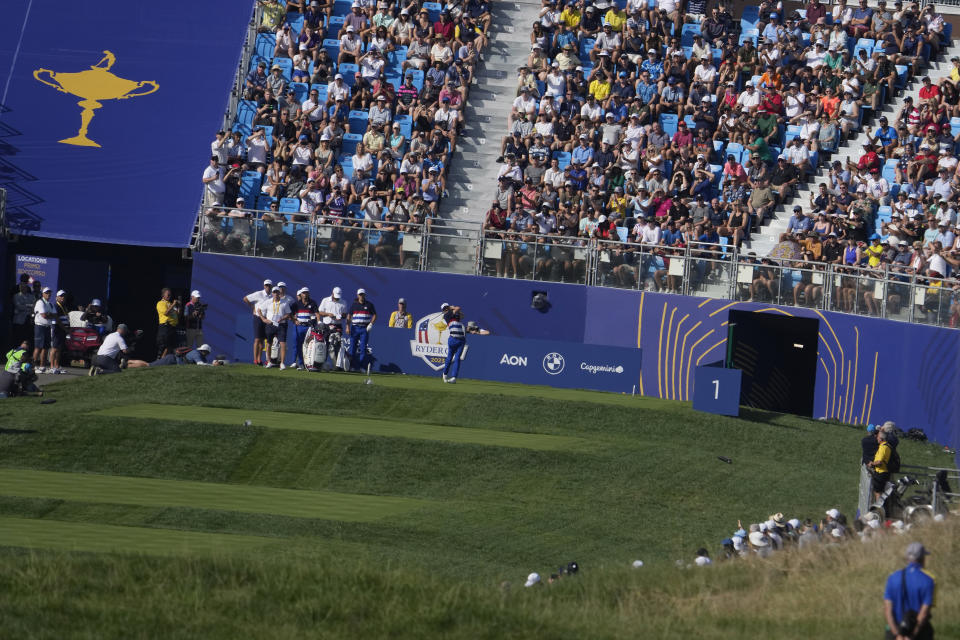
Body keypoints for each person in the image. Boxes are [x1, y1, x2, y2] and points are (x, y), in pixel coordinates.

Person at [884, 542, 935, 640]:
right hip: (919, 632)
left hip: (896, 629)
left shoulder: (892, 578)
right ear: (922, 559)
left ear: (907, 558)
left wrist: (897, 634)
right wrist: (912, 635)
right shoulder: (928, 580)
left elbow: (887, 610)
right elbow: (924, 613)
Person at [257, 286, 292, 369]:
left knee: (282, 343)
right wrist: (263, 319)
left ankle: (282, 363)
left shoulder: (284, 303)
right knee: (269, 343)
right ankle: (269, 362)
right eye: (274, 292)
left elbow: (288, 314)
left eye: (277, 292)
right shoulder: (268, 302)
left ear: (279, 293)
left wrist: (283, 318)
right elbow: (259, 310)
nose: (276, 294)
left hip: (281, 325)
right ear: (272, 293)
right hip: (270, 325)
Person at [243, 279, 274, 366]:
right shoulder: (259, 293)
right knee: (257, 339)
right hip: (258, 318)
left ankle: (259, 360)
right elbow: (245, 298)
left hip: (266, 319)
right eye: (266, 285)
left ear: (271, 286)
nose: (268, 287)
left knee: (263, 340)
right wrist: (253, 307)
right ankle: (255, 359)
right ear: (264, 286)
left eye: (269, 285)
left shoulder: (272, 296)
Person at [346, 288, 376, 370]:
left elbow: (374, 315)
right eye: (360, 295)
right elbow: (349, 316)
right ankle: (351, 366)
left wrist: (371, 324)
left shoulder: (369, 305)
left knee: (363, 349)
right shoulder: (354, 305)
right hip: (355, 328)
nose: (361, 296)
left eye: (362, 294)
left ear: (365, 295)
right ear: (357, 295)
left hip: (364, 329)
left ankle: (361, 367)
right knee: (352, 348)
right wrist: (347, 326)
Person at [291, 287, 319, 370]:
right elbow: (290, 314)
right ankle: (301, 364)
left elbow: (317, 314)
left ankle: (309, 363)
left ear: (308, 294)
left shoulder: (313, 303)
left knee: (309, 345)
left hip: (309, 327)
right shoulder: (297, 304)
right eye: (303, 293)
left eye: (306, 293)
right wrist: (294, 320)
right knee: (299, 345)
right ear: (301, 294)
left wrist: (318, 322)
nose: (305, 294)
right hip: (299, 327)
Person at [32, 287, 56, 373]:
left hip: (47, 327)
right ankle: (33, 367)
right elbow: (44, 316)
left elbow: (55, 315)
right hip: (40, 327)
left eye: (49, 293)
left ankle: (42, 366)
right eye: (46, 293)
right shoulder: (40, 302)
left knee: (45, 348)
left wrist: (48, 314)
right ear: (43, 294)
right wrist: (49, 314)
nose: (48, 294)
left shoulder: (50, 304)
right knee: (38, 347)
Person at [440, 302, 465, 383]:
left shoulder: (455, 314)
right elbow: (458, 307)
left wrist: (454, 309)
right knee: (449, 357)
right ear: (444, 310)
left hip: (461, 340)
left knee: (457, 359)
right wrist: (453, 308)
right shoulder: (446, 315)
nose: (446, 309)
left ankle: (454, 377)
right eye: (445, 309)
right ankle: (445, 374)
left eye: (446, 307)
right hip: (453, 339)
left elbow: (462, 315)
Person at [867, 428, 893, 500]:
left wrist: (872, 464)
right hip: (884, 472)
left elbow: (879, 462)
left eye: (878, 437)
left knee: (878, 492)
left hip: (880, 473)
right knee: (881, 492)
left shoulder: (883, 447)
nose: (877, 438)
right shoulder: (887, 446)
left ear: (881, 438)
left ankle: (879, 509)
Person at [155, 288, 181, 358]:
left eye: (170, 294)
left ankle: (163, 360)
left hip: (172, 326)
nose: (169, 296)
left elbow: (177, 314)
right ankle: (159, 359)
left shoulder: (170, 303)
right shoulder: (160, 303)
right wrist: (173, 305)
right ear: (163, 295)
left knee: (170, 345)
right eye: (168, 294)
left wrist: (179, 306)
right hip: (165, 326)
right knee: (163, 345)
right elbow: (166, 313)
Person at [48, 290, 70, 374]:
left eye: (64, 296)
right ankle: (51, 366)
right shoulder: (56, 306)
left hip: (62, 329)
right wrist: (65, 328)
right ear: (57, 297)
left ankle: (57, 366)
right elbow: (57, 320)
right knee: (54, 348)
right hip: (57, 329)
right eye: (61, 296)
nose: (63, 297)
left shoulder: (64, 306)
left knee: (59, 348)